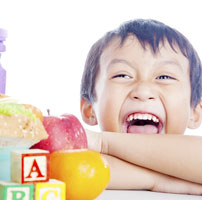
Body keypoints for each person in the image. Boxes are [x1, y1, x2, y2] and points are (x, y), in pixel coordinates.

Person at [80, 19, 202, 195]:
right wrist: (157, 179)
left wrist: (102, 142)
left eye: (164, 77)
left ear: (195, 113)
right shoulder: (75, 164)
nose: (143, 91)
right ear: (89, 108)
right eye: (122, 75)